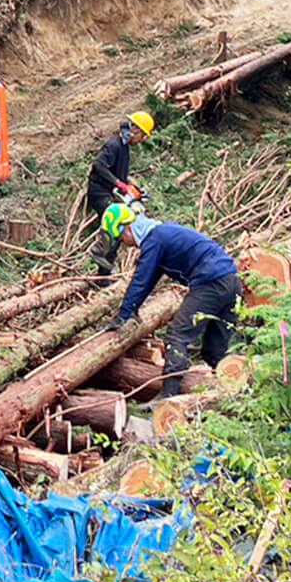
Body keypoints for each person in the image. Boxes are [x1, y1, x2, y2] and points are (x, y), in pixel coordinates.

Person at [101, 203, 243, 398]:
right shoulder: (162, 236)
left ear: (126, 227)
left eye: (122, 238)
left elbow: (140, 280)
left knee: (178, 335)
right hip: (232, 282)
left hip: (211, 283)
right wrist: (130, 311)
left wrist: (123, 316)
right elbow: (148, 280)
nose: (126, 244)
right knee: (214, 352)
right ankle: (236, 395)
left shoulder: (155, 240)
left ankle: (169, 398)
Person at [87, 112, 155, 274]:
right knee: (116, 221)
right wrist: (118, 184)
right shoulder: (114, 145)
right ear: (135, 130)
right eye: (142, 136)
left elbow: (121, 176)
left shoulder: (124, 148)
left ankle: (105, 268)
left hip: (109, 192)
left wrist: (133, 189)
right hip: (99, 192)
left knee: (121, 224)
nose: (141, 141)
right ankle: (101, 263)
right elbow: (99, 165)